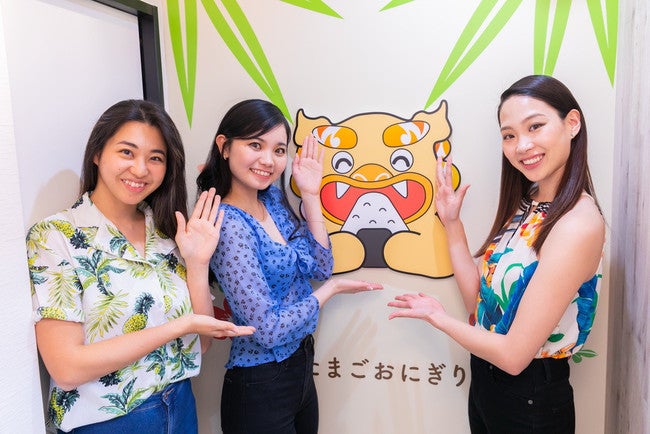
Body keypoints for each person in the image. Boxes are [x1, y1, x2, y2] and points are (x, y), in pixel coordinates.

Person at [388, 75, 605, 433]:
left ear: (572, 123)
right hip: (488, 382)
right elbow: (479, 304)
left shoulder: (577, 223)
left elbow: (514, 356)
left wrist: (437, 317)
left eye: (535, 126)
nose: (522, 145)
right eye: (509, 135)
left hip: (530, 397)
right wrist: (452, 223)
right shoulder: (528, 205)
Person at [26, 99, 255, 434]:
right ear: (97, 153)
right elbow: (67, 368)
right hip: (108, 423)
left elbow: (200, 344)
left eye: (155, 158)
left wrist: (197, 263)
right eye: (127, 152)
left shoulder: (166, 231)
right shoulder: (56, 235)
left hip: (179, 405)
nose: (140, 169)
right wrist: (179, 326)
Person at [197, 99, 382, 434]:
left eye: (279, 150)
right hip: (260, 383)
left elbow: (321, 266)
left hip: (299, 365)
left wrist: (311, 195)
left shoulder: (270, 199)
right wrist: (330, 291)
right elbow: (267, 329)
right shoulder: (228, 224)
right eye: (255, 145)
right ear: (224, 146)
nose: (268, 160)